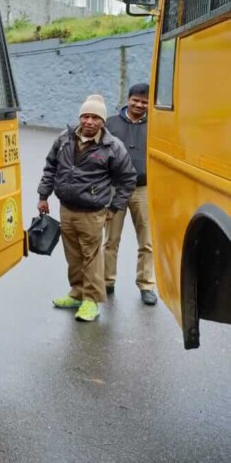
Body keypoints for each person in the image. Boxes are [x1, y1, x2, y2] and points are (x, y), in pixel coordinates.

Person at [37, 94, 137, 323]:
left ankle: (91, 301)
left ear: (103, 121)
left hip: (92, 212)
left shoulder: (112, 146)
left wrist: (115, 207)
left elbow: (128, 179)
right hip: (67, 208)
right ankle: (77, 293)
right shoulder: (64, 138)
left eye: (95, 117)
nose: (89, 121)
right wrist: (43, 195)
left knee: (91, 257)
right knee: (73, 255)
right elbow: (51, 166)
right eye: (85, 116)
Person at [104, 83, 157, 305]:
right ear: (128, 99)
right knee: (111, 240)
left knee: (147, 241)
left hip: (142, 189)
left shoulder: (156, 125)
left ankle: (146, 285)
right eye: (135, 100)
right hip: (114, 189)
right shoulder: (110, 124)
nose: (139, 105)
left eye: (144, 102)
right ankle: (107, 281)